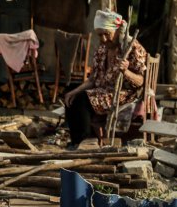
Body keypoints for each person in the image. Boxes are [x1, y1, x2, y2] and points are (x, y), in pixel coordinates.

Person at [63, 10, 148, 149]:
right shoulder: (102, 50)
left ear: (117, 31)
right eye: (99, 35)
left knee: (83, 99)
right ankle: (76, 141)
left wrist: (126, 72)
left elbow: (141, 81)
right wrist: (73, 92)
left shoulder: (132, 47)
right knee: (71, 93)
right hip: (103, 91)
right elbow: (92, 79)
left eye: (107, 34)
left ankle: (85, 141)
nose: (103, 39)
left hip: (124, 94)